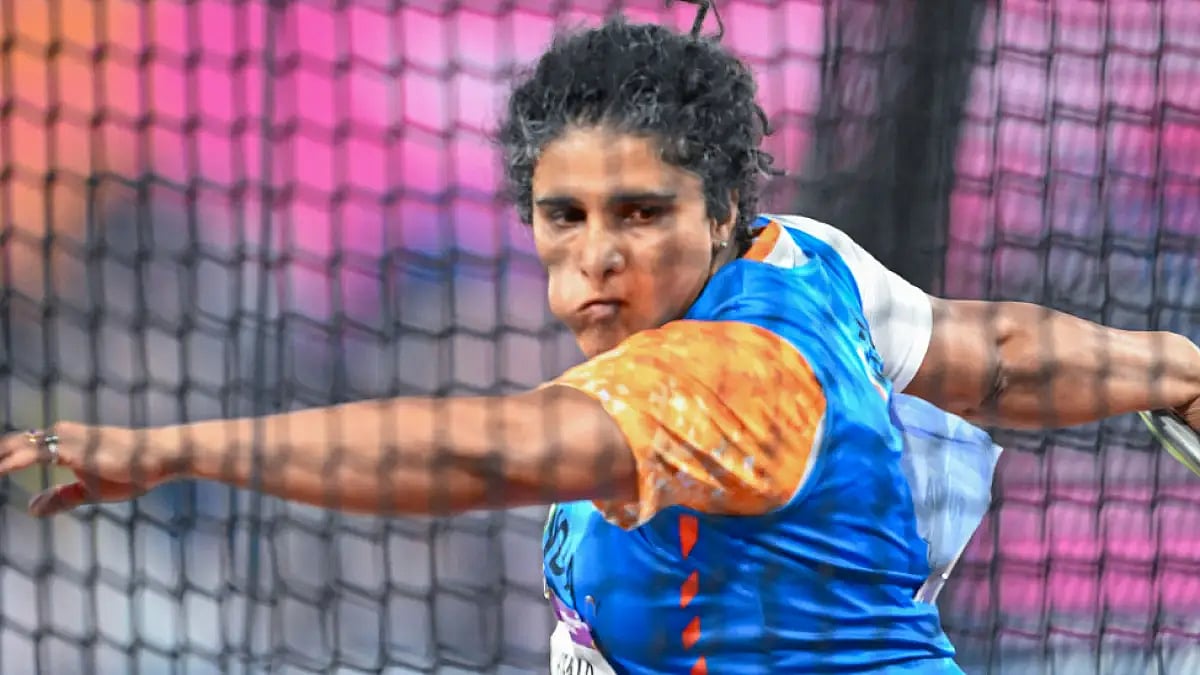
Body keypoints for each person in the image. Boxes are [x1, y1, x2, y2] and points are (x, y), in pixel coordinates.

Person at [2, 16, 1199, 675]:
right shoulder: (808, 257)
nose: (597, 259)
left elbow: (483, 453)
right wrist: (1176, 369)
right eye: (563, 216)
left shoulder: (734, 375)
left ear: (721, 209)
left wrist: (173, 451)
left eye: (641, 214)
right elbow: (998, 354)